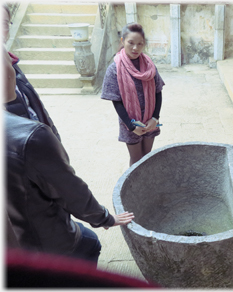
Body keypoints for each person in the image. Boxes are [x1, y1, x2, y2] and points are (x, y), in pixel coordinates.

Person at [3, 45, 135, 266]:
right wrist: (104, 218)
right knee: (90, 243)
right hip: (42, 246)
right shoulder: (29, 136)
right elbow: (71, 192)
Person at [101, 23, 165, 166]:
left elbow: (158, 91)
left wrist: (155, 118)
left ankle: (146, 186)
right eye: (131, 43)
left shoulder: (150, 66)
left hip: (150, 121)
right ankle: (134, 188)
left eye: (140, 44)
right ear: (123, 41)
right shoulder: (115, 69)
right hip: (130, 123)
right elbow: (116, 101)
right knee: (136, 160)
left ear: (144, 44)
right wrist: (131, 126)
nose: (135, 48)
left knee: (147, 157)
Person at [3, 4, 60, 141]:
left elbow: (34, 105)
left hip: (34, 141)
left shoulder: (12, 64)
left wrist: (53, 138)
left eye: (4, 24)